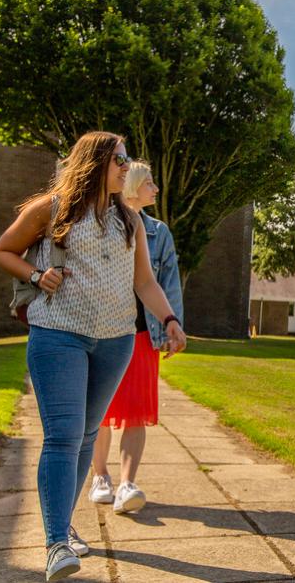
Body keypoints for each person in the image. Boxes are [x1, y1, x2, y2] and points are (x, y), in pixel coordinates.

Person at [0, 131, 187, 582]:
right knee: (62, 436)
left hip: (115, 340)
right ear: (96, 163)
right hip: (58, 335)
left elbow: (145, 283)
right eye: (120, 159)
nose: (126, 166)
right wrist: (37, 274)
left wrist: (170, 320)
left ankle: (65, 525)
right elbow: (2, 251)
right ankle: (57, 541)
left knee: (83, 436)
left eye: (126, 158)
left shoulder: (130, 221)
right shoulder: (51, 209)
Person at [89, 161, 183, 514]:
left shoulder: (159, 232)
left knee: (136, 413)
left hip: (143, 334)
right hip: (101, 331)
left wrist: (173, 325)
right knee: (99, 411)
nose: (156, 189)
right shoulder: (99, 223)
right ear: (131, 185)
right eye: (150, 182)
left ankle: (128, 483)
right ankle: (100, 477)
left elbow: (166, 283)